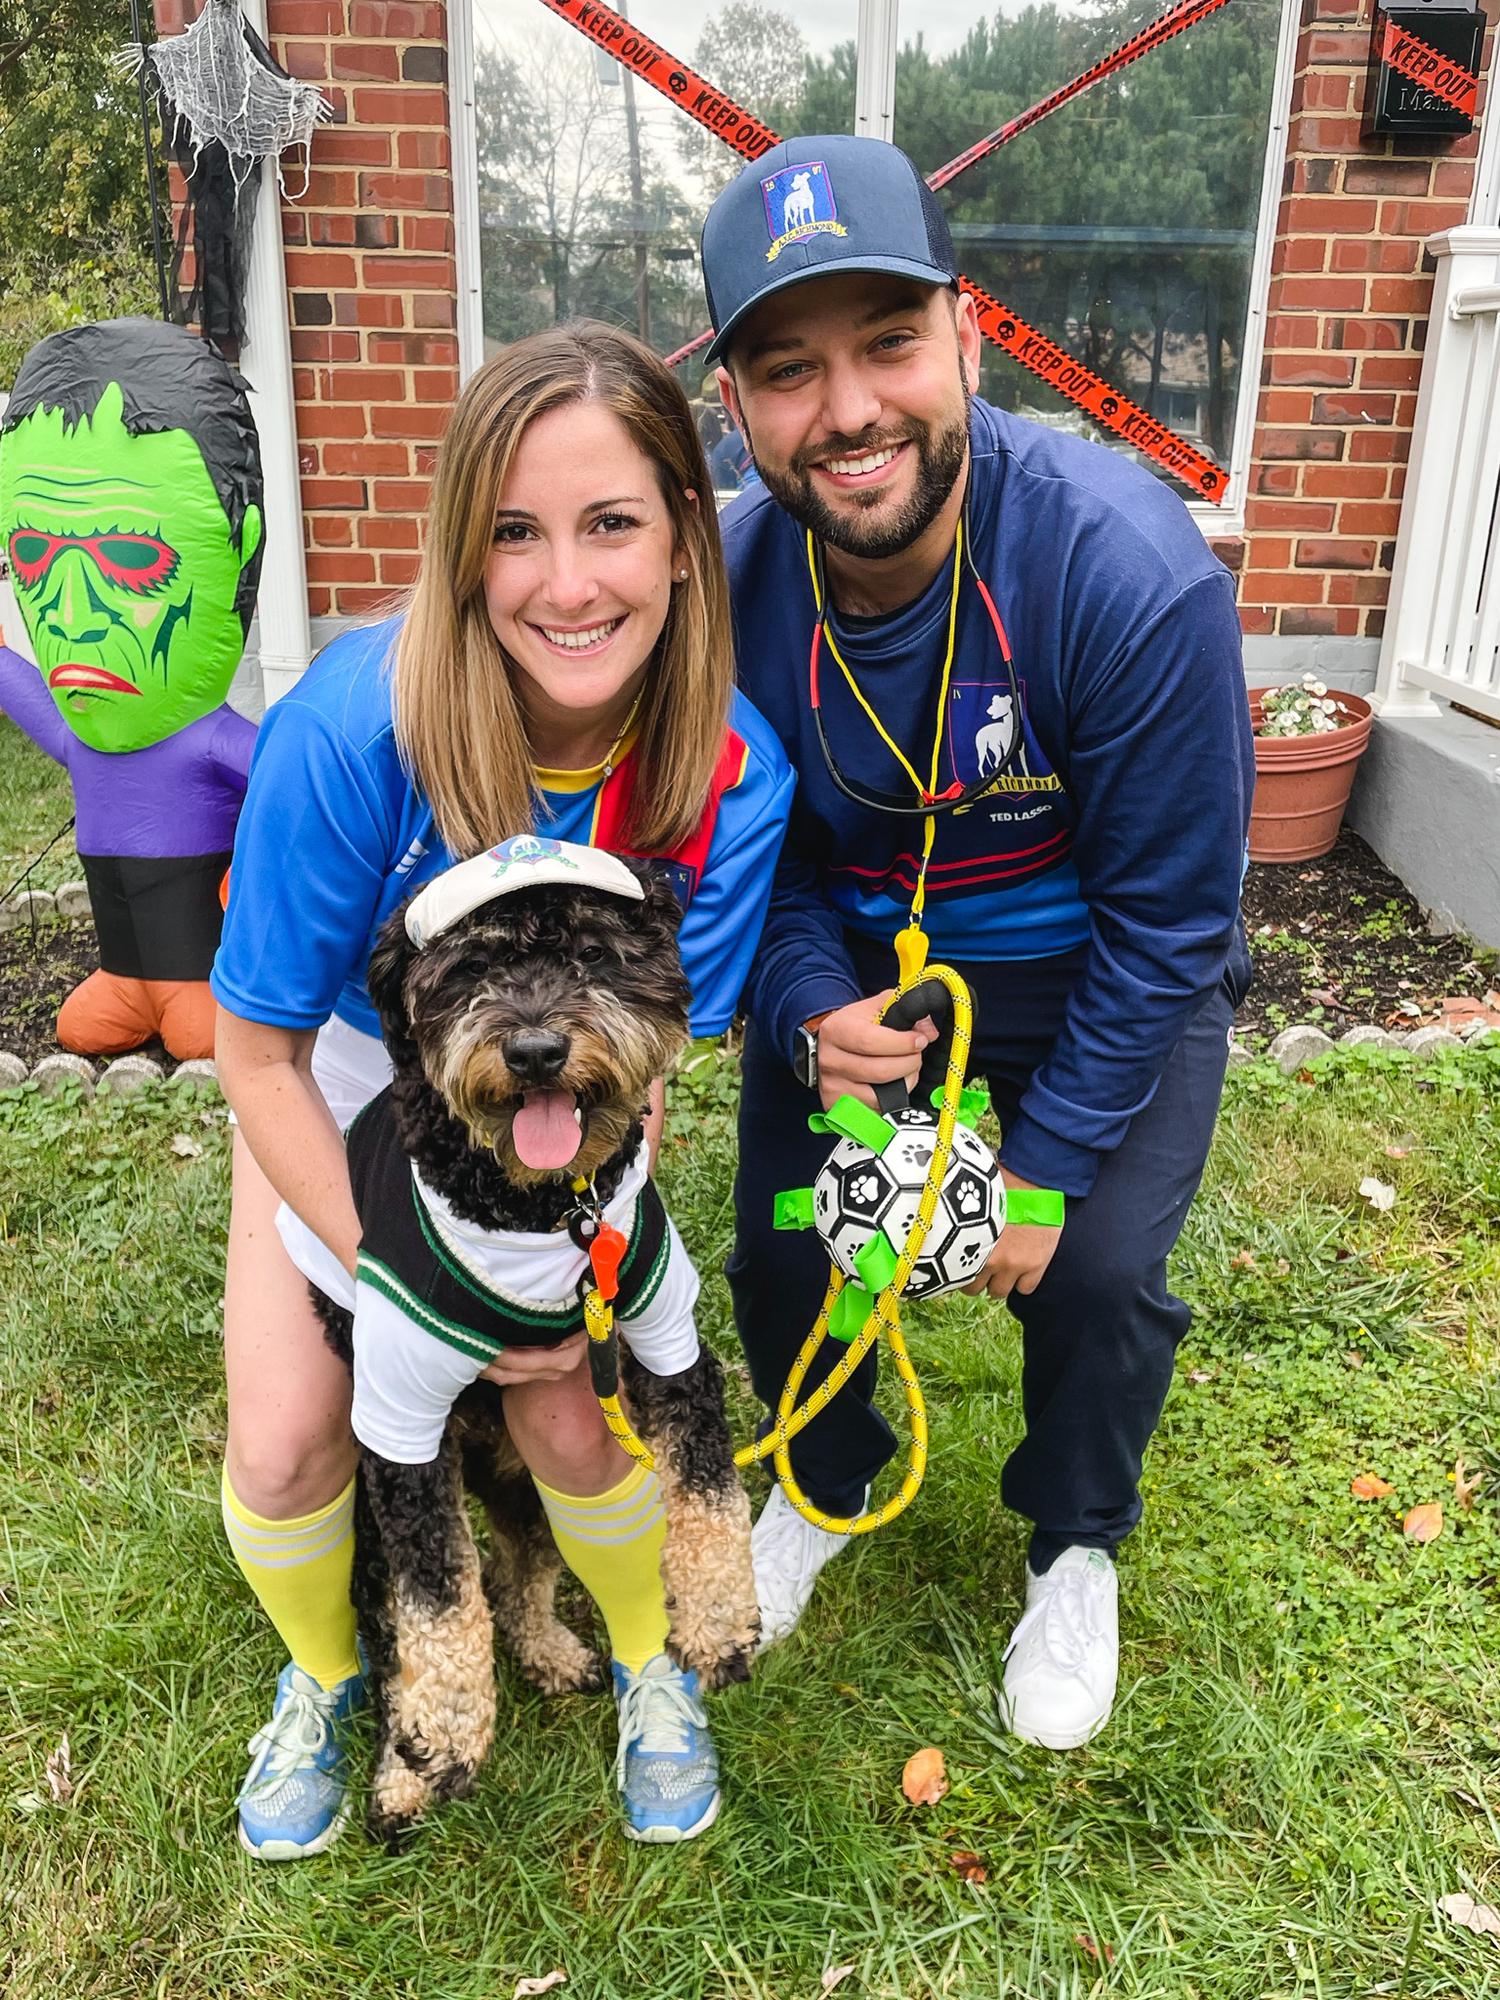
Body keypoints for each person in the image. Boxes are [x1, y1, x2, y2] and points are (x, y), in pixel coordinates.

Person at [210, 321, 793, 1855]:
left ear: (685, 533)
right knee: (289, 1440)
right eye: (515, 532)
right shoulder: (351, 727)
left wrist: (563, 1267)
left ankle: (653, 1663)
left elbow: (642, 1064)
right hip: (346, 1078)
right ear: (463, 548)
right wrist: (420, 1280)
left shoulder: (731, 778)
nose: (567, 583)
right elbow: (255, 1049)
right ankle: (332, 1673)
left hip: (568, 1111)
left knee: (572, 1418)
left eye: (612, 524)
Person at [701, 136, 1255, 1749]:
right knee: (790, 1237)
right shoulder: (725, 590)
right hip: (871, 978)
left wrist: (1047, 1164)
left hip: (1098, 974)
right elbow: (759, 863)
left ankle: (1074, 1540)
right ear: (735, 403)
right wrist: (809, 1008)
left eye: (888, 342)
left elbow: (1172, 922)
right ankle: (824, 1477)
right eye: (788, 370)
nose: (848, 410)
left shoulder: (1122, 569)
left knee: (1095, 1268)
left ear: (967, 333)